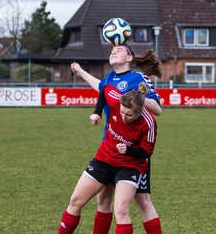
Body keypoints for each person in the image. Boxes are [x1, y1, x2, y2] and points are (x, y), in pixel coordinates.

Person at [70, 43, 163, 234]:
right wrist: (81, 72)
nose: (113, 51)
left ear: (129, 58)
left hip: (134, 152)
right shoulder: (110, 77)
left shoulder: (137, 78)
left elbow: (158, 109)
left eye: (119, 50)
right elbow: (102, 89)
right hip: (110, 146)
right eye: (112, 50)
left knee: (142, 201)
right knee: (103, 201)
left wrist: (137, 98)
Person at [58, 88, 158, 234]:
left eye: (129, 115)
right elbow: (104, 89)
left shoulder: (149, 123)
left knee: (121, 211)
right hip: (104, 159)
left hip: (129, 166)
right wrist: (97, 112)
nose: (124, 117)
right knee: (75, 201)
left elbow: (147, 152)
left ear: (140, 111)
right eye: (122, 112)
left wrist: (128, 150)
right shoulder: (115, 100)